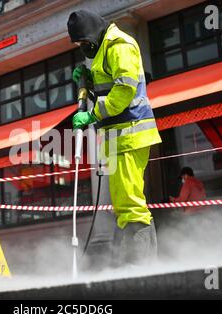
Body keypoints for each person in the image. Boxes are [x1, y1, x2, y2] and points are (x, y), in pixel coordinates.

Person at [67, 10, 162, 266]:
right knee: (122, 205)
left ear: (92, 36)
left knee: (130, 204)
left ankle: (139, 268)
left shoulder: (119, 45)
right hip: (115, 139)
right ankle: (126, 263)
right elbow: (107, 85)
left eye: (83, 43)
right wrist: (87, 78)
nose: (82, 48)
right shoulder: (103, 49)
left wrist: (91, 115)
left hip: (129, 136)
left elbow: (123, 90)